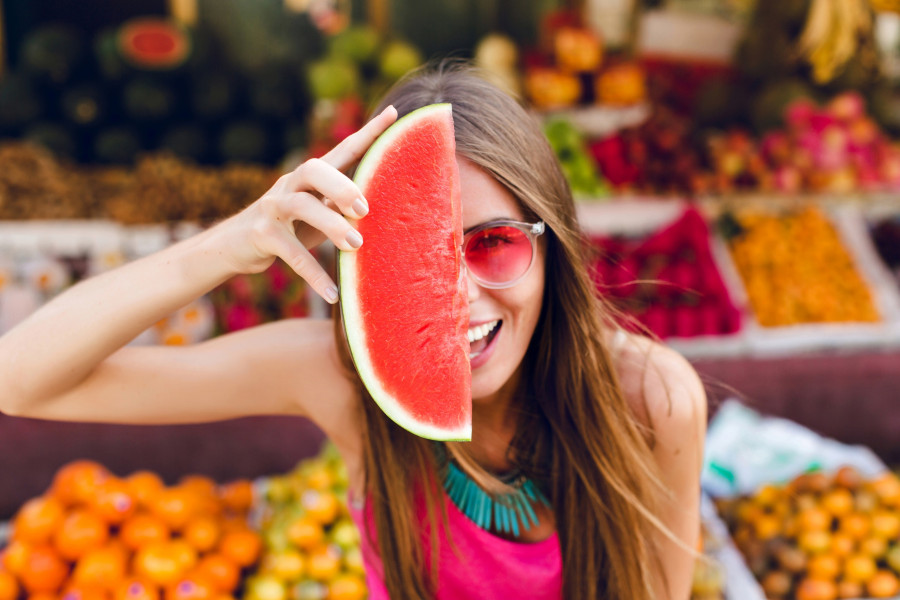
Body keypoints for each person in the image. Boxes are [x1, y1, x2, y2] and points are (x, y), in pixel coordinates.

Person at [0, 61, 706, 599]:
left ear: (554, 247)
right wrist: (230, 244)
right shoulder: (338, 377)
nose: (459, 295)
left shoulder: (653, 399)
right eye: (415, 256)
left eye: (494, 243)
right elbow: (21, 381)